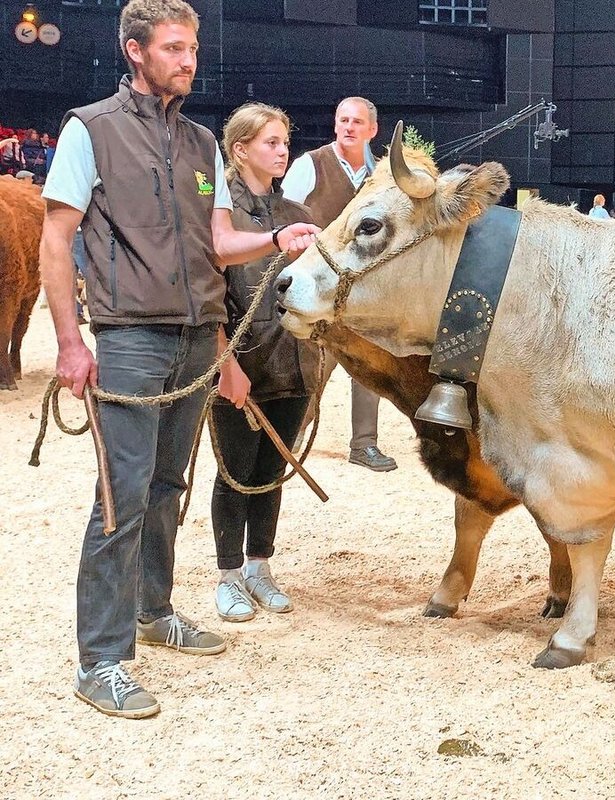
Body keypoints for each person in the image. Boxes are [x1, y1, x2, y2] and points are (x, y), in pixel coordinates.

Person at [38, 0, 320, 718]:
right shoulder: (89, 129)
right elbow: (56, 238)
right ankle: (101, 661)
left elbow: (219, 244)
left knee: (169, 485)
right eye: (172, 48)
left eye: (191, 48)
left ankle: (153, 610)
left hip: (198, 337)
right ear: (134, 51)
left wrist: (276, 240)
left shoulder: (200, 143)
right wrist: (70, 342)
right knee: (121, 496)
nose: (188, 60)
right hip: (130, 338)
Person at [211, 102, 321, 623]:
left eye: (285, 142)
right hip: (241, 364)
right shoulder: (218, 216)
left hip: (294, 363)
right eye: (271, 143)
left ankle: (259, 568)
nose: (282, 152)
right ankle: (229, 577)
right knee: (234, 472)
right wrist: (224, 363)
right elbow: (207, 294)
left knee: (272, 471)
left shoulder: (298, 215)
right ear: (240, 150)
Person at [282, 96, 397, 472]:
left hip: (365, 292)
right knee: (315, 366)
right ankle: (293, 435)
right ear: (335, 124)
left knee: (369, 367)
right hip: (319, 287)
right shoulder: (310, 165)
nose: (348, 127)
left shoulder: (383, 176)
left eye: (357, 122)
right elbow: (284, 217)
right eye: (343, 120)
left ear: (372, 130)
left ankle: (364, 444)